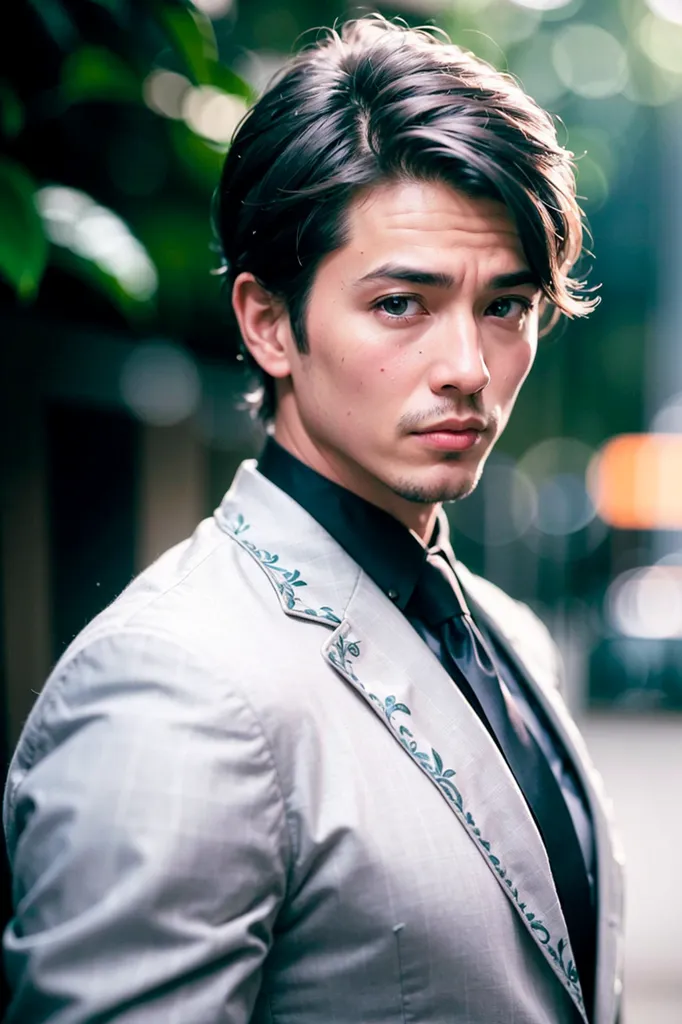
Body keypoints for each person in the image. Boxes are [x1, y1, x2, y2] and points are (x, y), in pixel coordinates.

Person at [2, 16, 624, 1024]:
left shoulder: (506, 634)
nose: (467, 366)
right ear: (267, 322)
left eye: (505, 306)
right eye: (400, 304)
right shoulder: (177, 686)